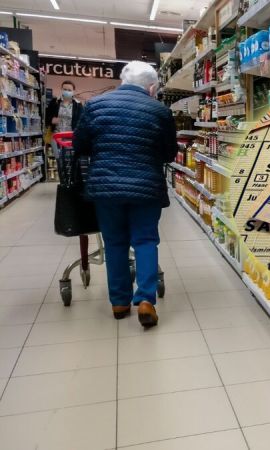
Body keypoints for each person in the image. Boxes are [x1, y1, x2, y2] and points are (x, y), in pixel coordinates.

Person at [73, 61, 177, 328]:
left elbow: (79, 145)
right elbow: (169, 154)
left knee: (115, 242)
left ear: (123, 80)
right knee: (145, 241)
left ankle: (119, 303)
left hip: (106, 188)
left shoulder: (95, 105)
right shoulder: (160, 111)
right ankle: (146, 301)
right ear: (152, 87)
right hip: (146, 187)